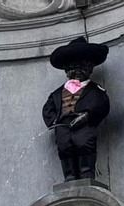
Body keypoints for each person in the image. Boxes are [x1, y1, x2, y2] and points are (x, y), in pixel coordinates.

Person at [42, 36, 112, 181]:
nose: (78, 71)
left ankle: (87, 177)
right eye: (73, 68)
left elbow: (102, 104)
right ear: (67, 71)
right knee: (65, 151)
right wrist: (54, 121)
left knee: (85, 150)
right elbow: (48, 108)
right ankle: (69, 178)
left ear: (90, 69)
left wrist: (87, 116)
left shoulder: (95, 90)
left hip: (84, 129)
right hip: (63, 129)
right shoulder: (57, 93)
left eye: (82, 67)